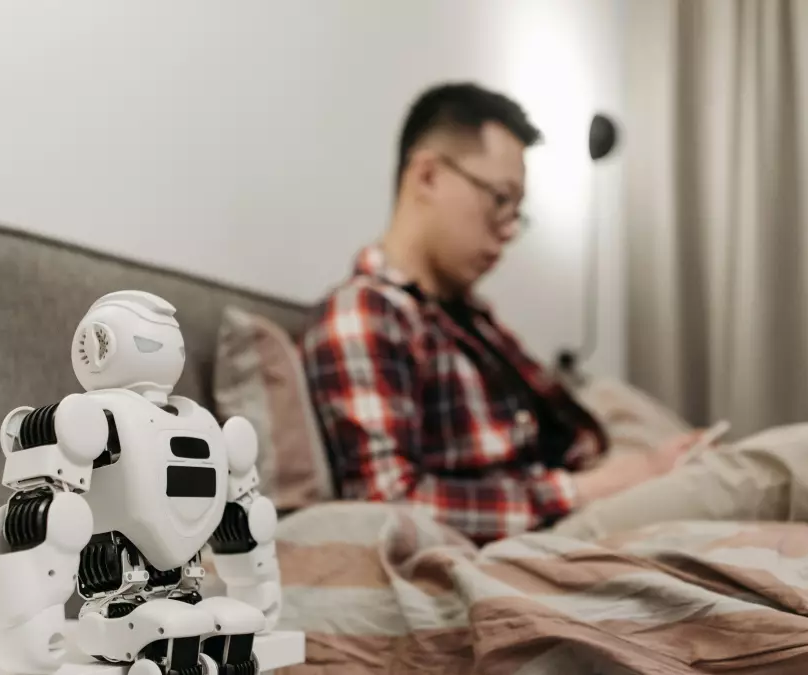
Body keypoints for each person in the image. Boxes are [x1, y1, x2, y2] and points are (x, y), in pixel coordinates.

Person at [299, 82, 701, 544]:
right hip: (547, 525)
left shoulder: (469, 313)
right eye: (499, 199)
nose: (510, 229)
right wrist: (588, 488)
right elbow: (387, 507)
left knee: (721, 456)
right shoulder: (365, 311)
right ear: (427, 176)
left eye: (517, 210)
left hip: (583, 483)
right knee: (781, 464)